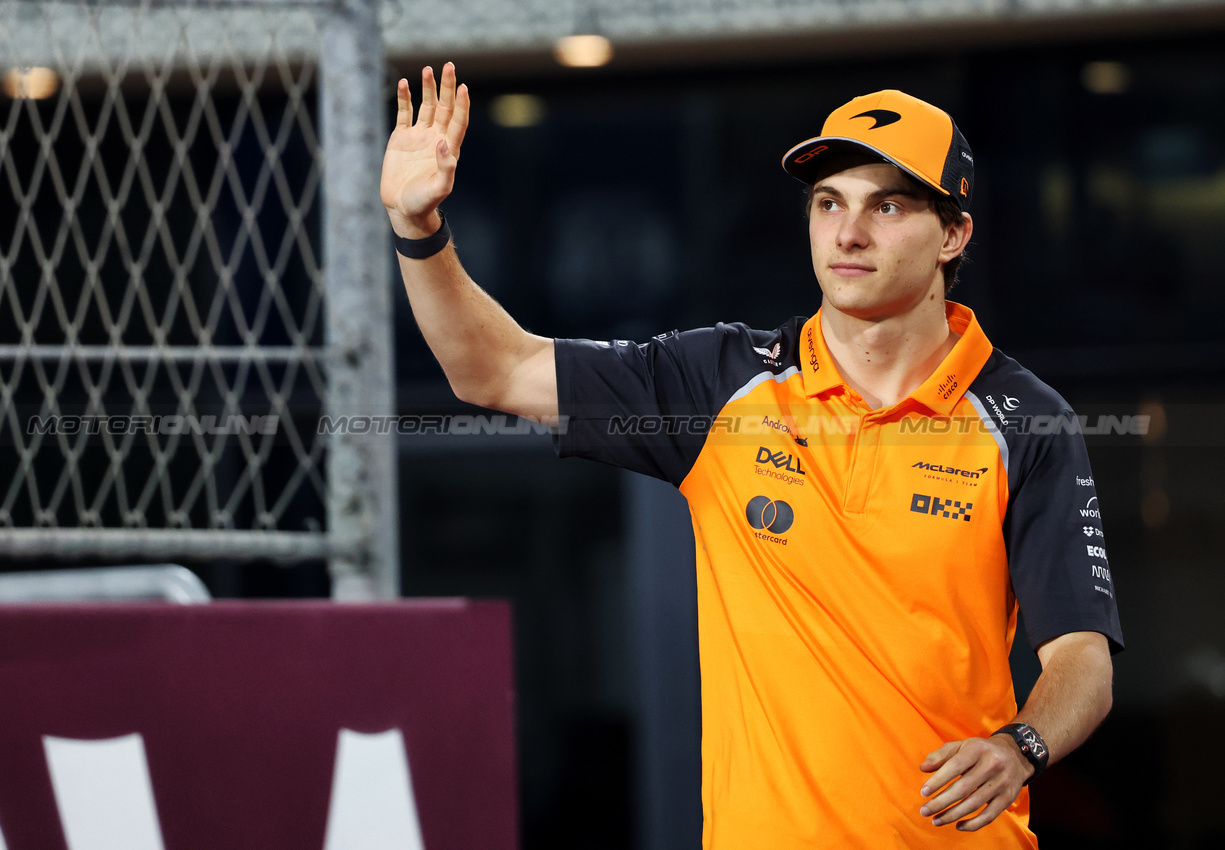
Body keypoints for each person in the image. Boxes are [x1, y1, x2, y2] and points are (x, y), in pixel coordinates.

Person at [381, 64, 1123, 848]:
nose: (848, 232)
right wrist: (418, 231)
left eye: (888, 205)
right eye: (828, 203)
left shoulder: (1025, 420)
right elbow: (494, 370)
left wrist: (1022, 746)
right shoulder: (721, 383)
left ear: (953, 234)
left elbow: (1082, 660)